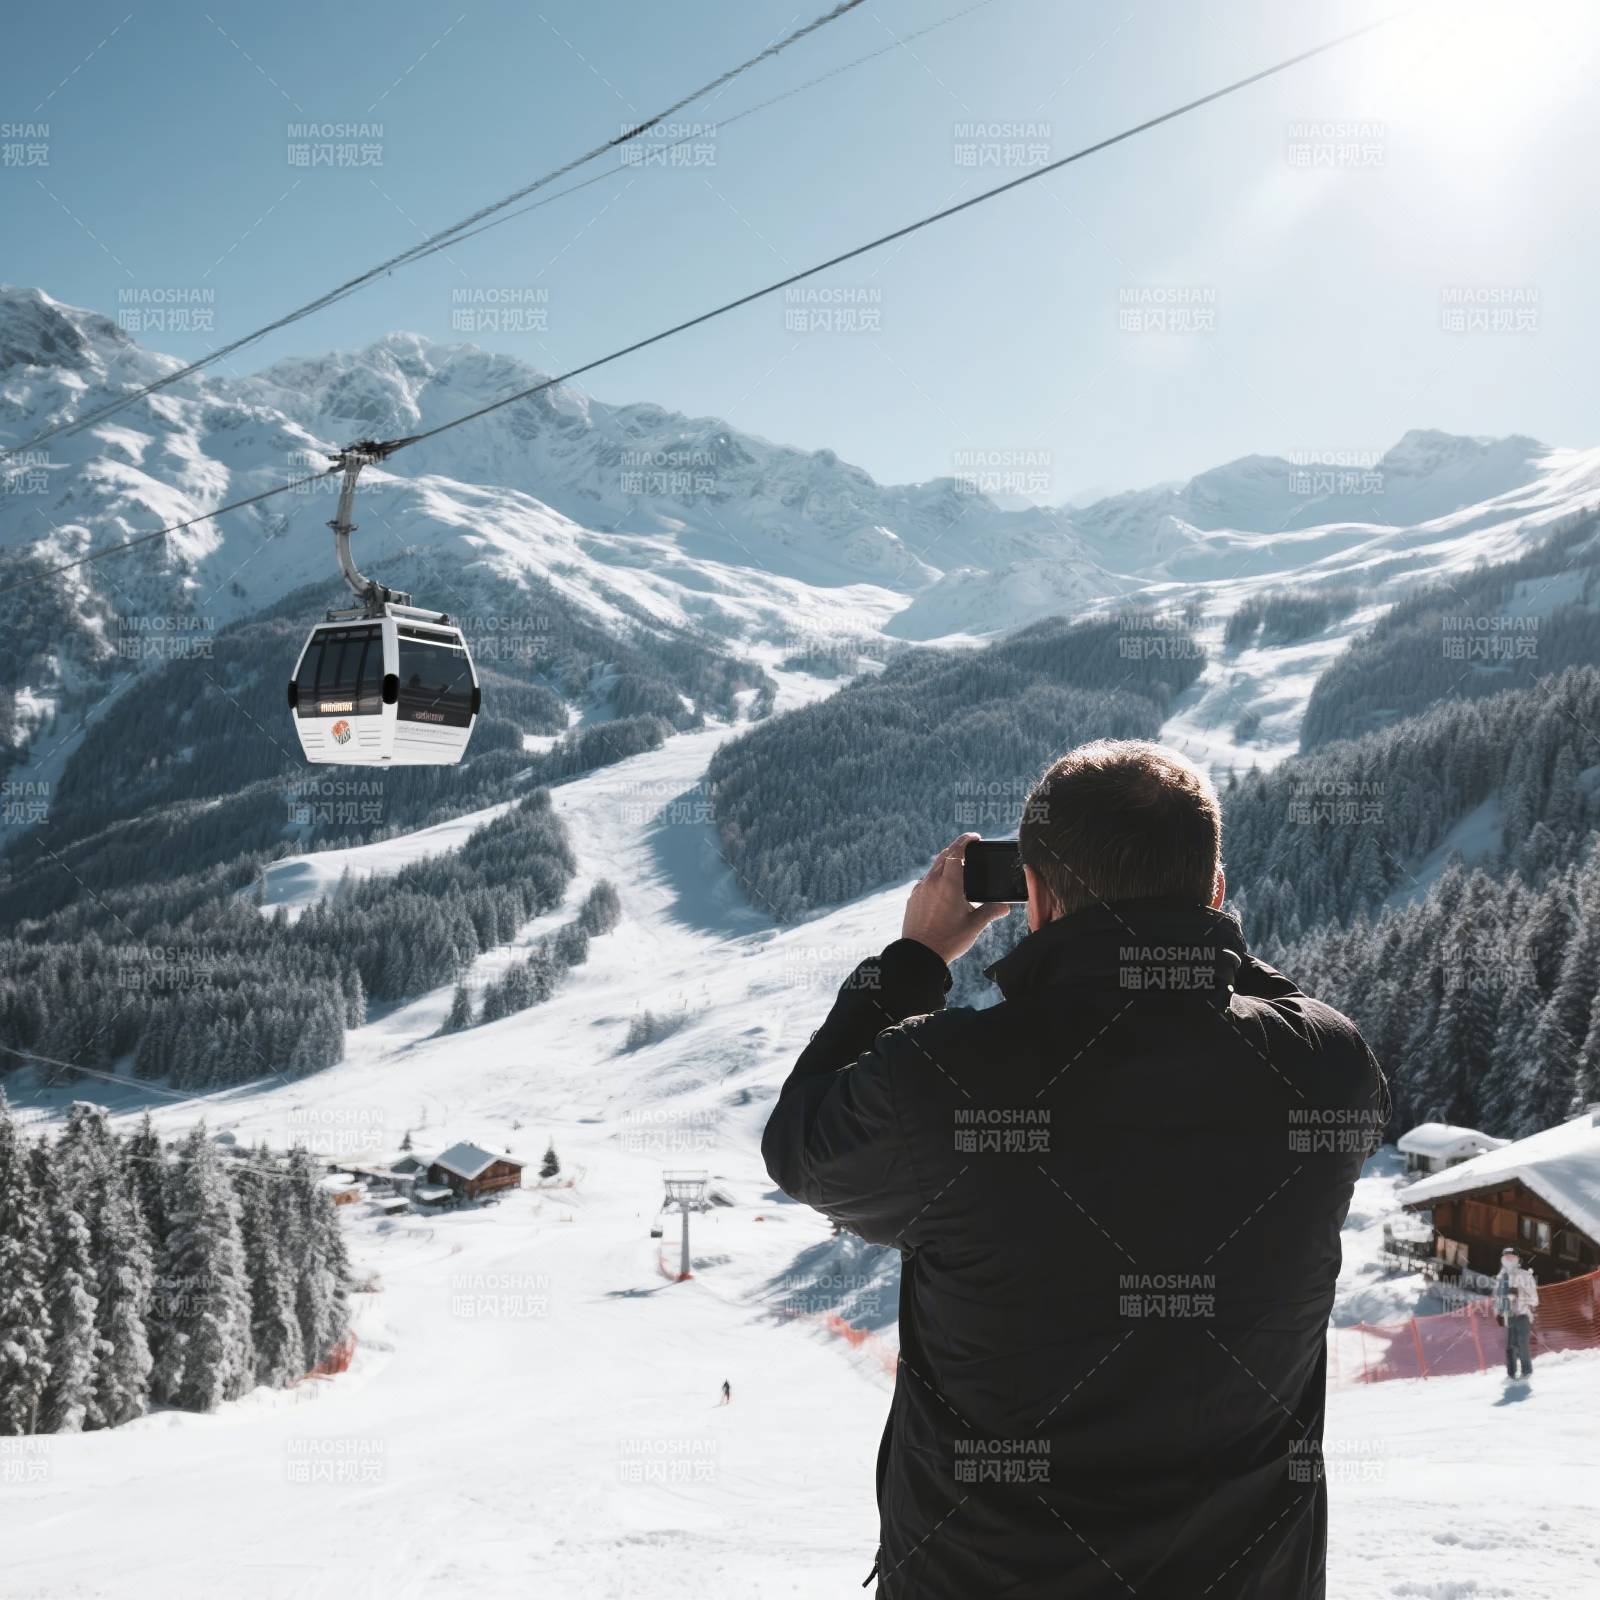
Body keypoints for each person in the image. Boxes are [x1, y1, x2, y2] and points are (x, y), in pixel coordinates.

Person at [762, 740, 1389, 1599]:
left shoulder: (943, 1085)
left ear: (1036, 898)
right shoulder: (1328, 1072)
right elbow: (1276, 1006)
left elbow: (800, 1142)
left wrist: (912, 962)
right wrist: (1193, 936)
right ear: (1214, 892)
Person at [1494, 1247, 1539, 1379]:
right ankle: (1511, 1375)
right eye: (1506, 1258)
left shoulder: (1525, 1275)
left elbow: (1535, 1300)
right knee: (1510, 1348)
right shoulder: (1503, 1278)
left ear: (1518, 1259)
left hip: (1523, 1316)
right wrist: (1499, 1312)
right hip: (1509, 1316)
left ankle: (1527, 1373)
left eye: (1511, 1257)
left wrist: (1519, 1294)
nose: (1509, 1260)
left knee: (1522, 1345)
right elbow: (1499, 1298)